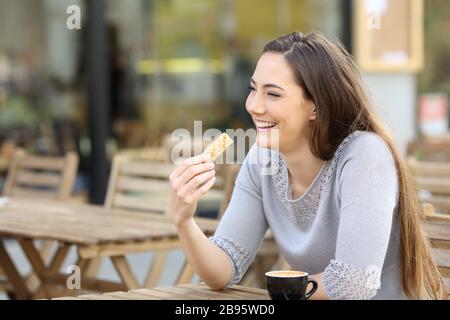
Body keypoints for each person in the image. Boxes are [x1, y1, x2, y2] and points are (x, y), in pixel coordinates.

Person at [168, 31, 447, 300]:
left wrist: (283, 291)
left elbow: (354, 283)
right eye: (253, 89)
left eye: (273, 94)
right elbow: (222, 271)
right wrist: (184, 220)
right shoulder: (261, 161)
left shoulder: (364, 156)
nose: (253, 105)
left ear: (315, 105)